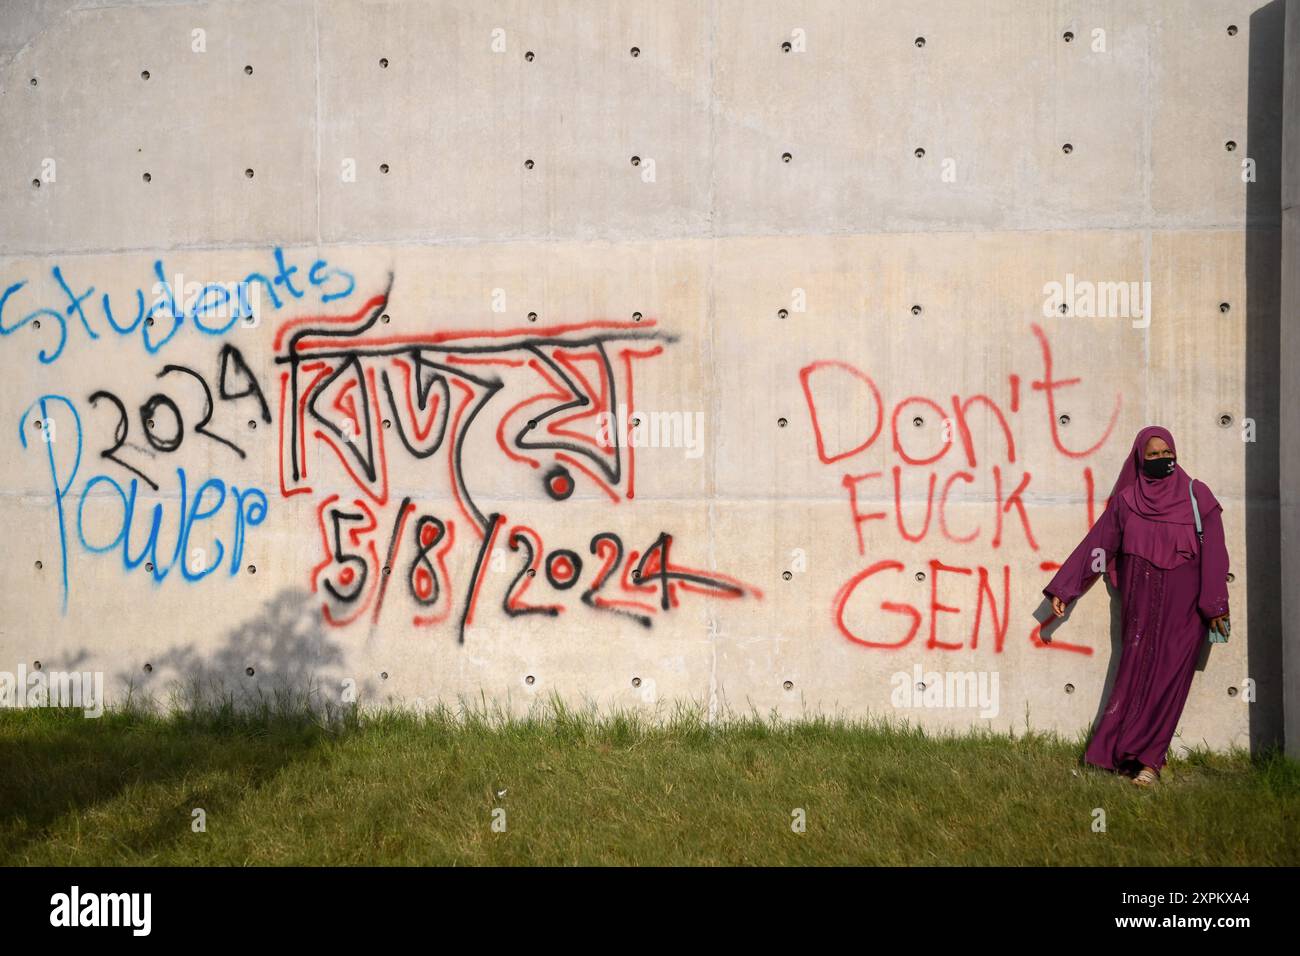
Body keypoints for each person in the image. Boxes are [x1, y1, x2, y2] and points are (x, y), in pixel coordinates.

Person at [1042, 425, 1230, 787]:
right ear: (1139, 459)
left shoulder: (1197, 495)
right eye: (1153, 455)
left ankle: (1150, 764)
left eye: (1166, 453)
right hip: (1140, 611)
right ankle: (1112, 754)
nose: (1161, 460)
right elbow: (1097, 548)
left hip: (1186, 612)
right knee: (1132, 678)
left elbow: (1216, 555)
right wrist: (1065, 589)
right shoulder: (1127, 502)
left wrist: (1215, 605)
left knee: (1169, 684)